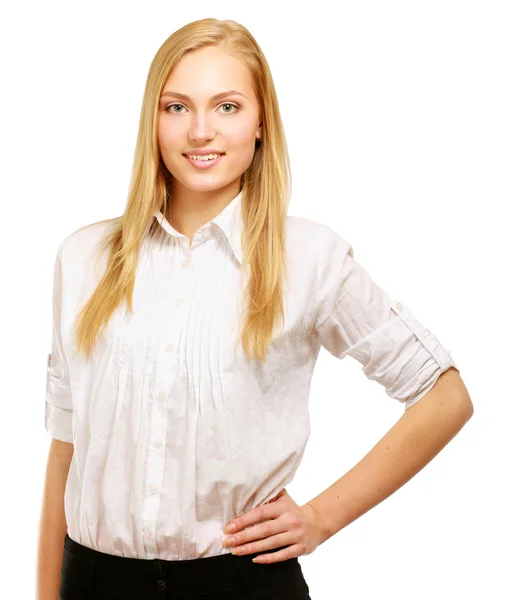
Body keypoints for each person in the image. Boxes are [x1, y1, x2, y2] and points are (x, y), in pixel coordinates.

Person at [36, 17, 474, 600]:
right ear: (152, 119)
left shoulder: (310, 257)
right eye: (175, 107)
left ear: (261, 120)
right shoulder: (84, 256)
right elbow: (67, 450)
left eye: (226, 106)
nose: (199, 131)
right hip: (94, 581)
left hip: (241, 584)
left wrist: (321, 518)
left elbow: (444, 395)